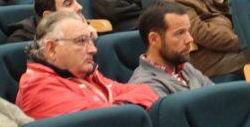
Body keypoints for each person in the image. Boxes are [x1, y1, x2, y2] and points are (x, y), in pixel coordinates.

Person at [16, 12, 157, 118]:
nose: (93, 50)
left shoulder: (85, 73)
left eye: (91, 40)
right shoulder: (37, 88)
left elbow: (146, 91)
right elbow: (104, 123)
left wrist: (117, 107)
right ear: (52, 49)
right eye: (81, 41)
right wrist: (126, 108)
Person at [162, 0, 249, 79]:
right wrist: (244, 42)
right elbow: (202, 34)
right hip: (205, 59)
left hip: (222, 49)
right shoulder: (176, 0)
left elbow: (230, 20)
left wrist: (219, 1)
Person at [129, 1, 213, 97]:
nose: (190, 39)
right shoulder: (144, 86)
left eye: (188, 31)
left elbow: (217, 99)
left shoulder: (185, 67)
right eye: (180, 33)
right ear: (154, 39)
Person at [6, 0, 84, 43]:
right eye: (68, 3)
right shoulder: (22, 40)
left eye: (76, 0)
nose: (79, 7)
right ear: (49, 16)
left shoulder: (83, 30)